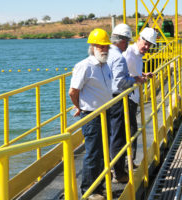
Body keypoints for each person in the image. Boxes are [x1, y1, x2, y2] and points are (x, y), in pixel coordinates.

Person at [68, 28, 112, 200]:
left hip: (105, 112)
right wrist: (79, 107)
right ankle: (89, 190)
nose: (104, 49)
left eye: (106, 46)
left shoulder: (105, 65)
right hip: (92, 116)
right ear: (92, 47)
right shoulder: (84, 66)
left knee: (103, 152)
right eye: (100, 46)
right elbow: (73, 91)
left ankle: (99, 185)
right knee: (93, 152)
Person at [107, 23, 146, 183]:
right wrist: (135, 79)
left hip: (106, 98)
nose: (127, 45)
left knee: (109, 135)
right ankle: (119, 173)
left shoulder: (106, 54)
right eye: (127, 41)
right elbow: (120, 82)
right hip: (117, 100)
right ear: (122, 40)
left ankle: (110, 170)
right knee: (118, 137)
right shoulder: (118, 57)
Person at [123, 27, 157, 162]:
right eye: (145, 43)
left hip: (134, 96)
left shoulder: (138, 55)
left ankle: (129, 162)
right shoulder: (128, 53)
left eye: (149, 45)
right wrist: (137, 79)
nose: (147, 47)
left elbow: (132, 70)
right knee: (130, 130)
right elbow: (120, 74)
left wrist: (143, 75)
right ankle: (127, 164)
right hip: (127, 96)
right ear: (138, 39)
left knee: (133, 130)